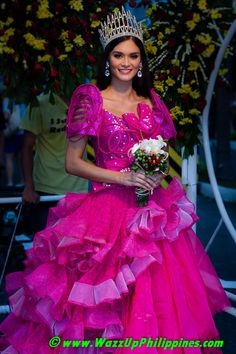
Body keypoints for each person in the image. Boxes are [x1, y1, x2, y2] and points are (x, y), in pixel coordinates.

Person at [0, 7, 230, 353]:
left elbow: (159, 152)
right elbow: (72, 163)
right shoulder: (91, 99)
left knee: (155, 300)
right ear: (108, 58)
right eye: (119, 55)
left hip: (152, 215)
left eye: (133, 55)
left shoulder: (151, 101)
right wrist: (123, 177)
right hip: (106, 214)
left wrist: (152, 173)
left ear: (141, 60)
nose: (127, 62)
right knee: (106, 305)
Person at [20, 92, 88, 233]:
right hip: (46, 190)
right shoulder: (38, 104)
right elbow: (26, 146)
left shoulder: (87, 102)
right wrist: (28, 186)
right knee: (46, 250)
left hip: (80, 190)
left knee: (76, 250)